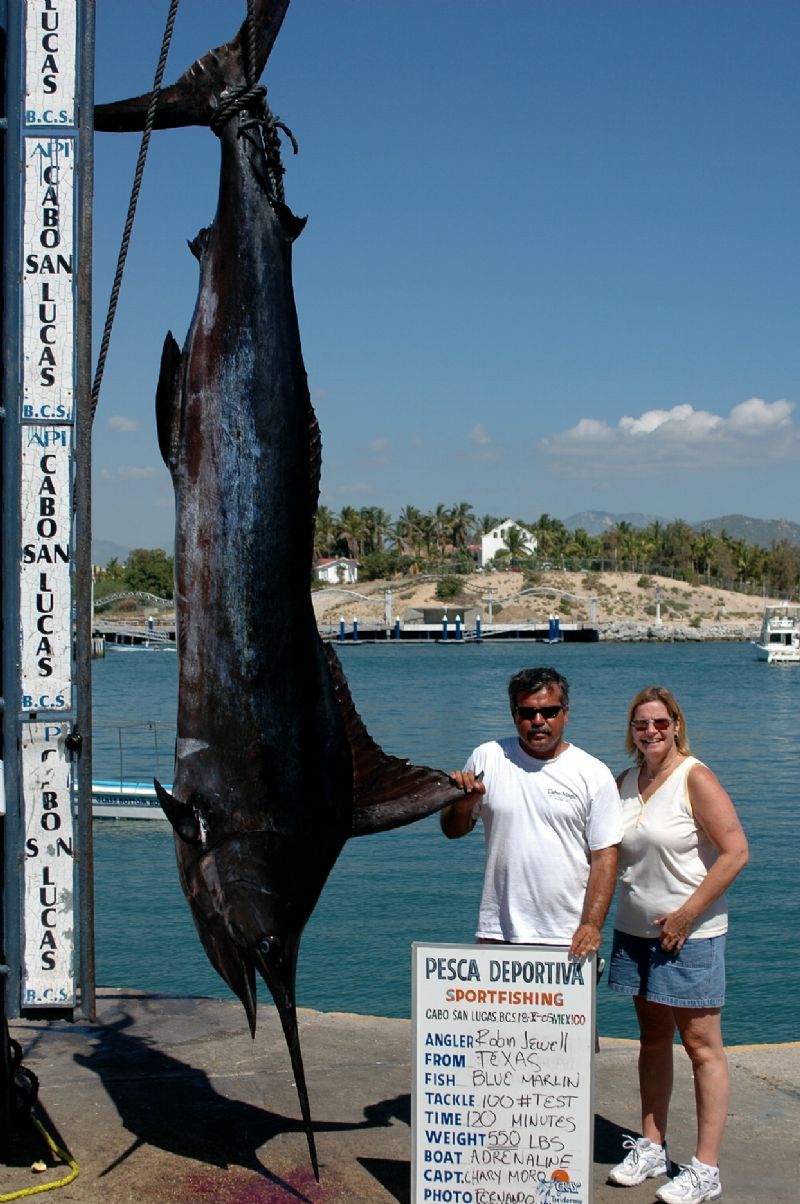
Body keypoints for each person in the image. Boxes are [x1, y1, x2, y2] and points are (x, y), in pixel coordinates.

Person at [606, 686, 748, 1204]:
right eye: (642, 724)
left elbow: (735, 853)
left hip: (691, 936)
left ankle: (705, 1170)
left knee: (702, 1047)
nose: (651, 732)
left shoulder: (696, 778)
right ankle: (651, 1145)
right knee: (652, 1039)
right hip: (635, 933)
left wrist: (687, 915)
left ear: (677, 725)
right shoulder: (624, 781)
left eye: (661, 723)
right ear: (632, 731)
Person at [441, 666, 623, 957]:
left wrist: (590, 925)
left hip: (568, 938)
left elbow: (605, 857)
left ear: (565, 712)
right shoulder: (487, 757)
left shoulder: (593, 773)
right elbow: (452, 830)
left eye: (549, 711)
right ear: (514, 715)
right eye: (527, 713)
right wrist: (461, 805)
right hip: (497, 933)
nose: (538, 721)